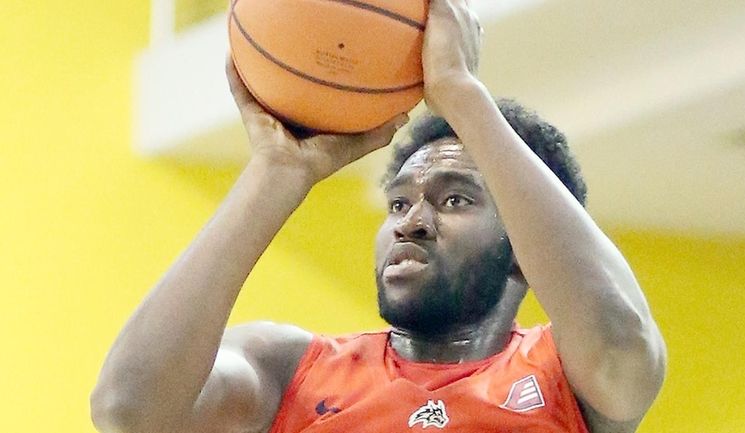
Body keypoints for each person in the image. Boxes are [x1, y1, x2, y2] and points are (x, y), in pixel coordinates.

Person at [90, 1, 666, 432]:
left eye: (455, 199)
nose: (410, 221)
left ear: (525, 246)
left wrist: (461, 93)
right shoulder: (289, 370)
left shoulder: (565, 375)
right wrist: (276, 172)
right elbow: (128, 409)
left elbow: (622, 347)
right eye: (398, 201)